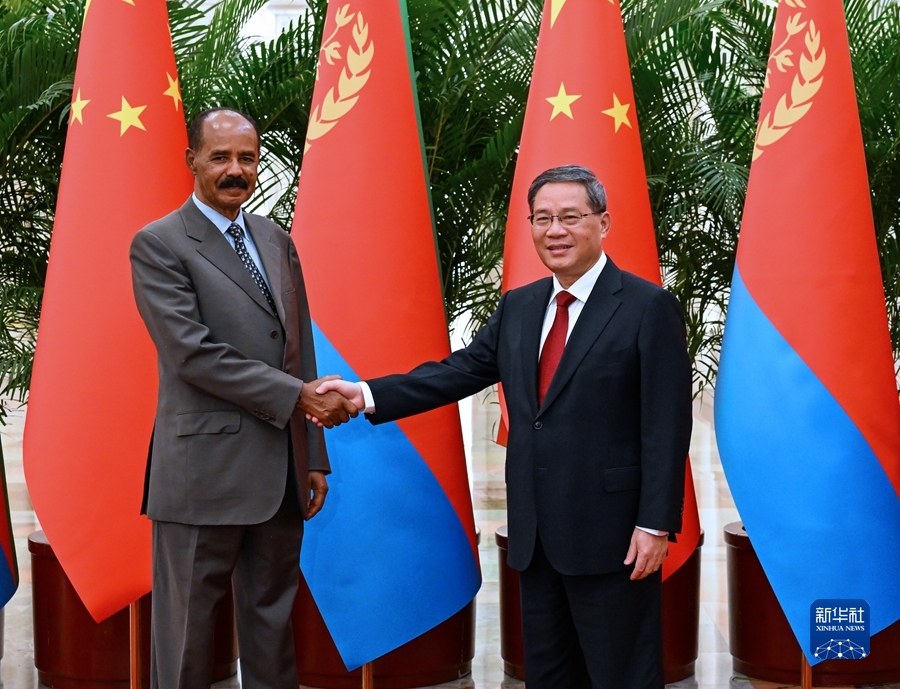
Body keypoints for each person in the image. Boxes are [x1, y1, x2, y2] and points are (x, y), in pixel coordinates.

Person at [315, 165, 693, 688]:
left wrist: (654, 525)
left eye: (570, 217)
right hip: (536, 537)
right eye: (542, 219)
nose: (554, 230)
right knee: (548, 674)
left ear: (603, 223)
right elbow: (460, 371)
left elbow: (667, 426)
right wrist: (367, 394)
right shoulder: (521, 305)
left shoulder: (648, 307)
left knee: (621, 674)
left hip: (613, 537)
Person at [130, 107, 358, 689]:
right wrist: (300, 400)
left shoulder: (275, 240)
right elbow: (192, 353)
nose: (236, 170)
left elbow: (297, 345)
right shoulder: (158, 244)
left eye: (248, 158)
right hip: (201, 477)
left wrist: (312, 454)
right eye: (221, 157)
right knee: (186, 641)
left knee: (271, 628)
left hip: (281, 473)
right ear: (193, 161)